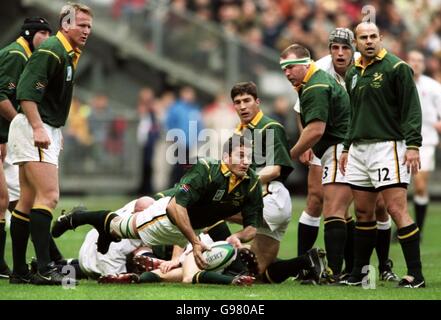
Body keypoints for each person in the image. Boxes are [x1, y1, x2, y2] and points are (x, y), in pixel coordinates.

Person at [52, 135, 263, 272]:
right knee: (120, 227)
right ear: (226, 156)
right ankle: (74, 218)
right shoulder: (207, 169)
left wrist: (238, 237)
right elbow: (174, 207)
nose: (246, 162)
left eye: (249, 157)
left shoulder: (252, 182)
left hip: (188, 229)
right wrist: (196, 242)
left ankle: (104, 237)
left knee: (118, 234)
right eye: (240, 156)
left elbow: (252, 225)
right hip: (166, 217)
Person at [292, 28, 399, 281]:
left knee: (379, 205)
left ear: (355, 49)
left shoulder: (373, 68)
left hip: (366, 139)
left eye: (345, 48)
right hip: (327, 139)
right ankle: (308, 267)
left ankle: (381, 266)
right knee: (319, 199)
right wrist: (306, 144)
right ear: (329, 49)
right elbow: (300, 109)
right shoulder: (318, 69)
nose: (340, 53)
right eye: (335, 48)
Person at [7, 3, 93, 285]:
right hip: (35, 125)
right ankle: (45, 267)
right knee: (50, 196)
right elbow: (25, 93)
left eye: (89, 26)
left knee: (27, 201)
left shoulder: (66, 52)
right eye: (81, 24)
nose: (86, 30)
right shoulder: (52, 50)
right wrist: (38, 128)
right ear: (65, 24)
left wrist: (54, 130)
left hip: (43, 126)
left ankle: (20, 270)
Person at [339, 22, 425, 288]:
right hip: (358, 149)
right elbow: (353, 113)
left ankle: (416, 275)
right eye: (363, 37)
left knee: (395, 209)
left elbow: (412, 108)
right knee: (363, 212)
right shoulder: (353, 72)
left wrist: (412, 145)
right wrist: (345, 146)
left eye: (373, 36)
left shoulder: (397, 68)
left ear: (381, 38)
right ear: (356, 41)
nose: (368, 41)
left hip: (388, 146)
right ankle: (359, 274)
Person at [280, 44, 353, 281]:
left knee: (335, 209)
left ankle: (337, 271)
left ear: (305, 63)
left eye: (290, 67)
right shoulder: (312, 81)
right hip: (336, 147)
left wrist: (289, 155)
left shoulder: (317, 85)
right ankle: (348, 270)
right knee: (341, 209)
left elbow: (316, 130)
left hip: (340, 148)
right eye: (284, 69)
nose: (287, 73)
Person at [0, 17, 53, 280]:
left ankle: (28, 264)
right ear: (30, 33)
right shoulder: (16, 55)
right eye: (43, 32)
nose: (47, 37)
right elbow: (1, 96)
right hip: (8, 136)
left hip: (5, 139)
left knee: (14, 199)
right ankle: (46, 260)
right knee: (18, 198)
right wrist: (23, 125)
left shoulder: (26, 54)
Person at [230, 81, 295, 279]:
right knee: (255, 273)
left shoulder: (271, 127)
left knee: (208, 211)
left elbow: (276, 169)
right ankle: (306, 262)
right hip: (267, 201)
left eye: (247, 100)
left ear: (257, 102)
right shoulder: (239, 132)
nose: (242, 106)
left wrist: (246, 179)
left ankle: (204, 252)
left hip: (270, 197)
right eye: (237, 102)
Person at [407, 50, 441, 237]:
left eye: (419, 60)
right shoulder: (399, 83)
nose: (416, 63)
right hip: (401, 141)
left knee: (420, 185)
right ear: (407, 61)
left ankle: (417, 229)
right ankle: (404, 226)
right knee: (398, 187)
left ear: (424, 64)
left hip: (425, 142)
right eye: (413, 60)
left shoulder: (434, 87)